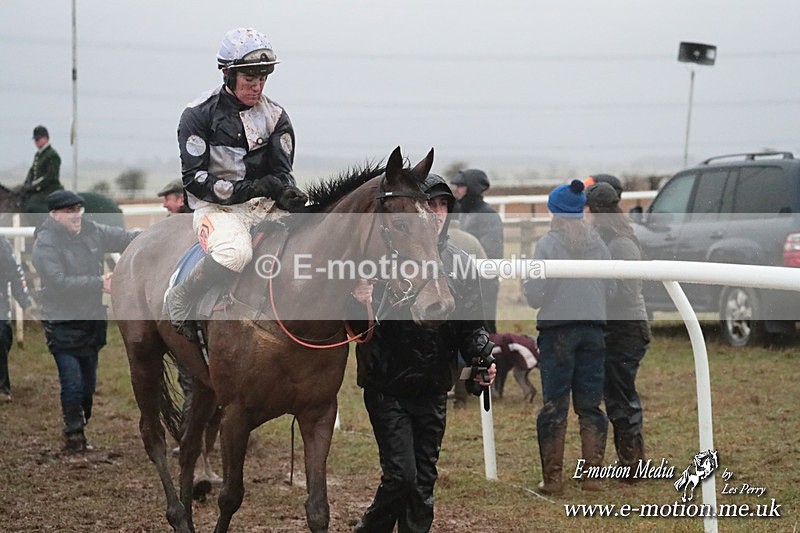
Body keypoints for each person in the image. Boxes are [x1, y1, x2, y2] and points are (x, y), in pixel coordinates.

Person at [351, 173, 496, 532]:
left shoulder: (460, 263)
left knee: (422, 483)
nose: (438, 212)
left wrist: (482, 357)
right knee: (400, 476)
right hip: (388, 386)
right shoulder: (380, 260)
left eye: (444, 205)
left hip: (433, 387)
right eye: (430, 205)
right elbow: (357, 327)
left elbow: (472, 327)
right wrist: (361, 301)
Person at [167, 27, 307, 338]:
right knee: (236, 254)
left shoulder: (276, 117)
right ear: (227, 73)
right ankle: (183, 296)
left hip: (262, 206)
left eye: (263, 78)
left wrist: (287, 192)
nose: (257, 86)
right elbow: (195, 180)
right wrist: (256, 188)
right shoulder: (197, 115)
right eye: (249, 79)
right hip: (216, 210)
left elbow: (281, 172)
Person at [522, 180, 612, 494]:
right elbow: (610, 288)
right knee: (590, 406)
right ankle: (593, 476)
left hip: (558, 332)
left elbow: (534, 294)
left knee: (555, 406)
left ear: (553, 212)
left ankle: (552, 479)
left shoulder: (547, 244)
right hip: (594, 331)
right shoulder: (599, 243)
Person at [32, 190, 138, 452]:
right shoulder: (45, 244)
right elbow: (58, 283)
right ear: (54, 215)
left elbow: (126, 238)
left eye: (78, 209)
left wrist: (159, 235)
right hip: (62, 324)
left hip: (91, 324)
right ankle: (74, 435)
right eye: (70, 211)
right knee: (73, 383)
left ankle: (80, 421)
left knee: (88, 388)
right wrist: (99, 283)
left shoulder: (92, 231)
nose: (76, 215)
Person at [585, 180, 650, 479]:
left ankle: (633, 465)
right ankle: (631, 462)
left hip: (626, 329)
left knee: (622, 397)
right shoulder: (610, 237)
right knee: (617, 395)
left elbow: (625, 293)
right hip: (619, 328)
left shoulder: (621, 243)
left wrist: (593, 289)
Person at [450, 168, 503, 333]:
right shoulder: (462, 212)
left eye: (461, 186)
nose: (456, 190)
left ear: (472, 188)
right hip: (463, 281)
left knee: (483, 329)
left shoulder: (488, 215)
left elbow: (490, 252)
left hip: (482, 284)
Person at [0, 235, 31, 402]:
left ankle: (2, 388)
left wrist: (25, 304)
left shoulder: (2, 245)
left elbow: (15, 274)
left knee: (1, 335)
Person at [22, 125, 63, 217]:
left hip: (50, 189)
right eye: (35, 140)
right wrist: (26, 183)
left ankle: (48, 222)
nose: (36, 142)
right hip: (39, 189)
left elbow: (50, 177)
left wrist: (33, 185)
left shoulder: (52, 155)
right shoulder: (38, 155)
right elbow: (32, 171)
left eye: (38, 139)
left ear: (46, 139)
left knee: (32, 205)